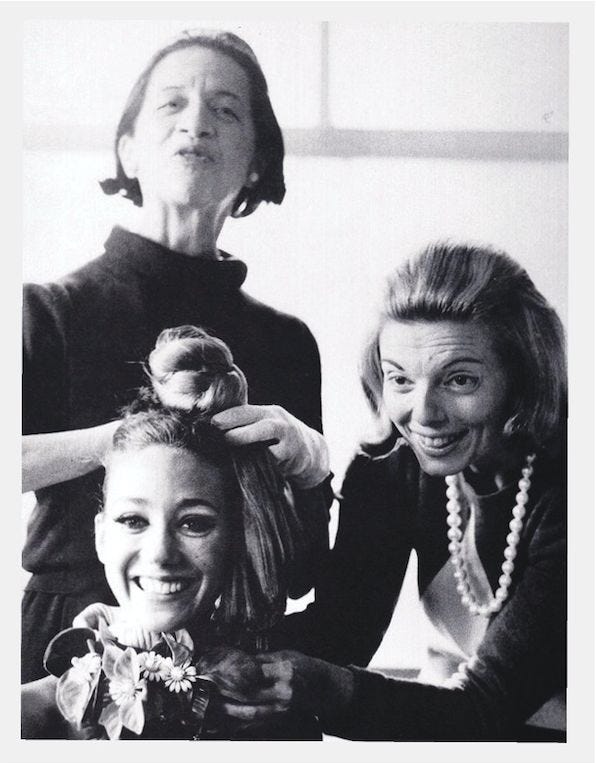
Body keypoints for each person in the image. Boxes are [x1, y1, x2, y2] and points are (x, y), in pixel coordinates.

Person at [22, 29, 329, 683]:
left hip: (236, 661)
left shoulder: (286, 343)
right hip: (66, 648)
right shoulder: (49, 312)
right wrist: (115, 441)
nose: (196, 122)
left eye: (226, 109)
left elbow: (302, 570)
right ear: (128, 148)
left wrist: (312, 465)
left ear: (257, 160)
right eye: (171, 103)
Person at [203, 241, 567, 741]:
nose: (424, 414)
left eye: (459, 380)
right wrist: (181, 647)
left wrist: (319, 688)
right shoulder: (391, 468)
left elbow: (485, 709)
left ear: (523, 375)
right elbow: (342, 633)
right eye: (400, 379)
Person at [21, 327, 323, 740]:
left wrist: (315, 468)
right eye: (133, 520)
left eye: (193, 523)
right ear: (101, 535)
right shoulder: (35, 713)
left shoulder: (279, 698)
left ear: (237, 538)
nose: (161, 554)